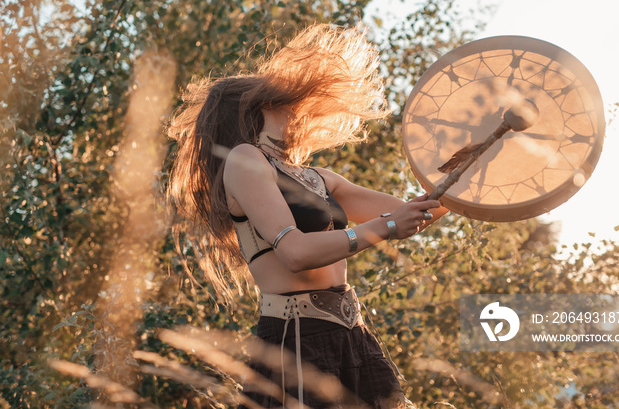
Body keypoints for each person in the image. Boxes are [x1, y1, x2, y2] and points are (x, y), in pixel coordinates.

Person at [167, 24, 448, 409]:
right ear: (259, 104)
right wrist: (385, 227)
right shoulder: (246, 160)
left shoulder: (319, 178)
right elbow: (295, 252)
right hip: (295, 334)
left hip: (352, 332)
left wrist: (473, 165)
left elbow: (416, 213)